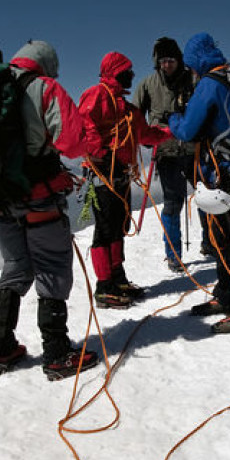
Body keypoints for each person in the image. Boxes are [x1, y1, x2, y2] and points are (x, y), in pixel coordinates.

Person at [0, 40, 99, 380]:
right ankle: (56, 354)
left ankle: (1, 349)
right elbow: (73, 142)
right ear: (47, 64)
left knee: (16, 267)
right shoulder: (45, 87)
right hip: (39, 197)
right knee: (51, 267)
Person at [168, 33, 230, 334]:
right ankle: (225, 295)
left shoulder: (210, 84)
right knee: (223, 238)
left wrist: (172, 119)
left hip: (223, 175)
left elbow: (189, 129)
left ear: (195, 59)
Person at [78, 51, 172, 308]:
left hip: (119, 175)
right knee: (105, 230)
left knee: (119, 226)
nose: (132, 75)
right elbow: (85, 125)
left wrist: (172, 131)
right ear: (117, 72)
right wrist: (101, 154)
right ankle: (103, 286)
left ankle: (117, 279)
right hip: (103, 174)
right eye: (127, 71)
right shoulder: (97, 95)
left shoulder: (127, 109)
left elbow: (147, 135)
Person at [132, 37, 212, 272]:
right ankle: (173, 255)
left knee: (205, 197)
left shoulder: (193, 80)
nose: (167, 65)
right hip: (165, 152)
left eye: (171, 60)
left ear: (179, 60)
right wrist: (144, 137)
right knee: (172, 203)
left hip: (193, 149)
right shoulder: (148, 84)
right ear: (157, 62)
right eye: (163, 61)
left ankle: (210, 243)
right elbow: (136, 116)